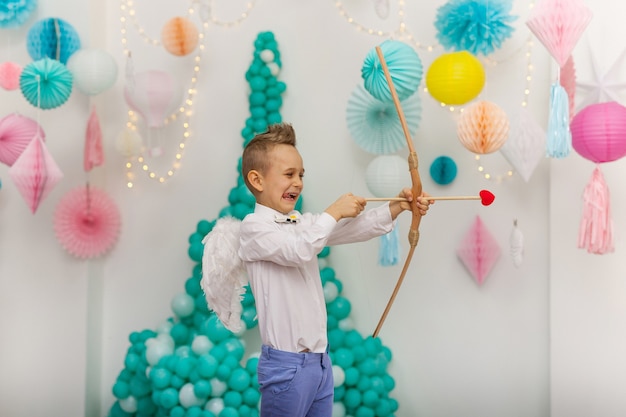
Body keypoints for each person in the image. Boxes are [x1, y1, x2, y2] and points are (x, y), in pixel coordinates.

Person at [238, 122, 432, 417]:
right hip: (285, 366)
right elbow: (299, 249)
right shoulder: (254, 228)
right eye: (289, 174)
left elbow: (350, 229)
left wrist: (397, 207)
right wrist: (333, 211)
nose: (298, 182)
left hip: (319, 364)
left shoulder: (301, 223)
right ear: (257, 180)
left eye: (301, 175)